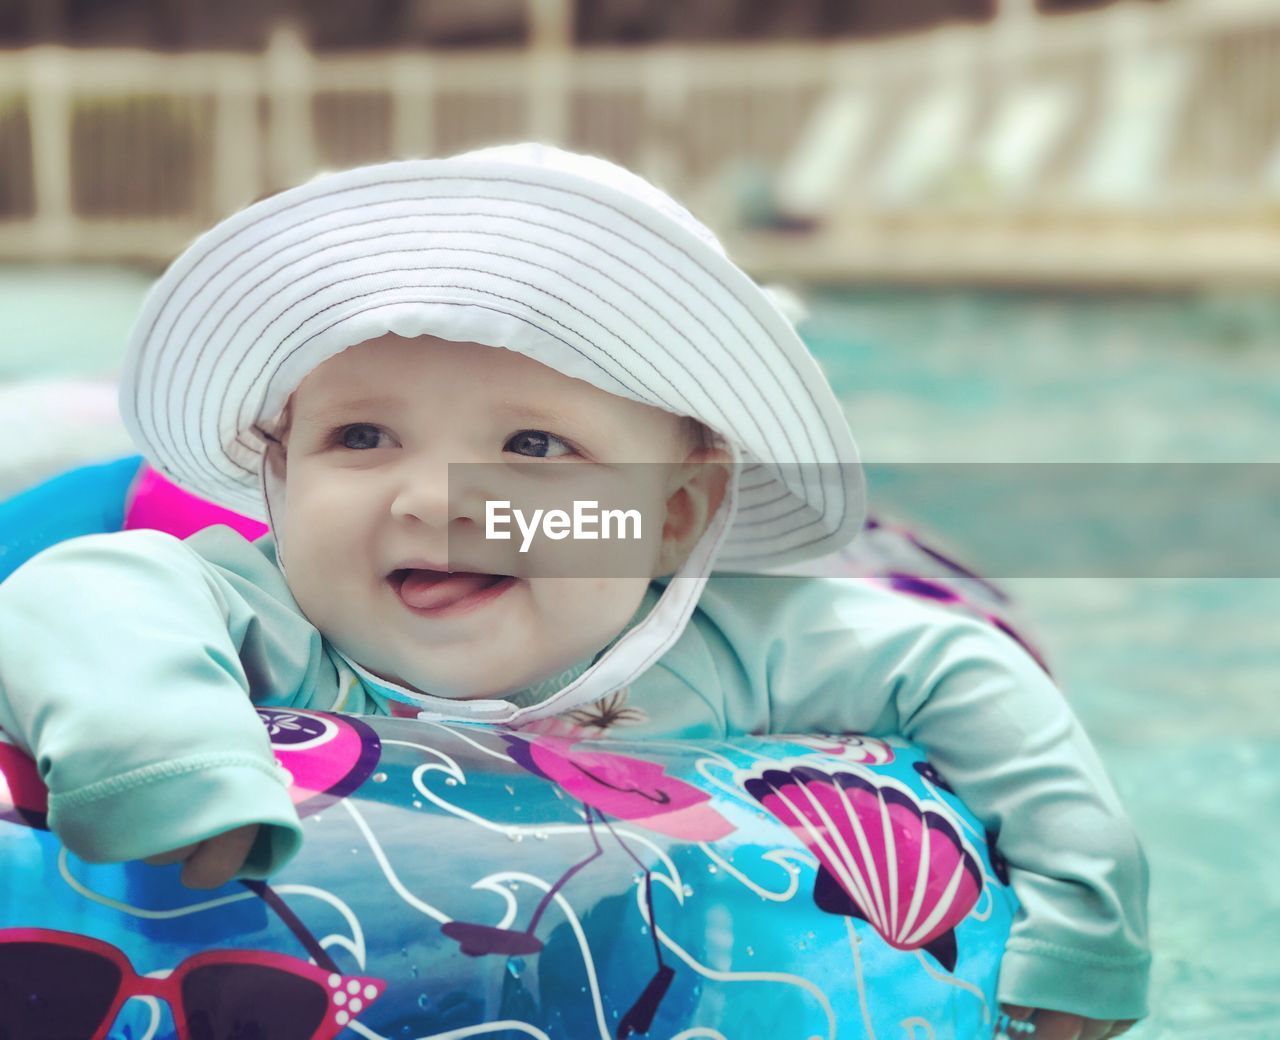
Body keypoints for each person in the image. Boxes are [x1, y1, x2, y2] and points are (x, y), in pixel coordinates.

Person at [0, 143, 1147, 1037]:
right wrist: (158, 750)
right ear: (282, 475)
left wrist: (1085, 919)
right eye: (362, 434)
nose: (434, 497)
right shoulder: (280, 617)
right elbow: (87, 593)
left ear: (677, 512)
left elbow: (958, 666)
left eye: (534, 447)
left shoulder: (747, 639)